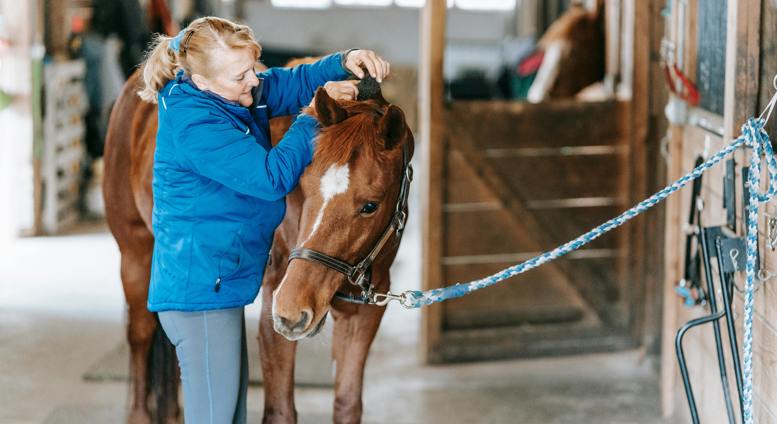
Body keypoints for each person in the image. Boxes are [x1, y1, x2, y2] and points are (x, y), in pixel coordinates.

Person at [137, 16, 390, 423]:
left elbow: (288, 81)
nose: (253, 81)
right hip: (199, 290)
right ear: (202, 80)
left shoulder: (228, 92)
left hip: (218, 285)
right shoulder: (196, 124)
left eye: (252, 69)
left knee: (227, 414)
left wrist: (345, 61)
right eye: (241, 75)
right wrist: (310, 116)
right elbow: (271, 178)